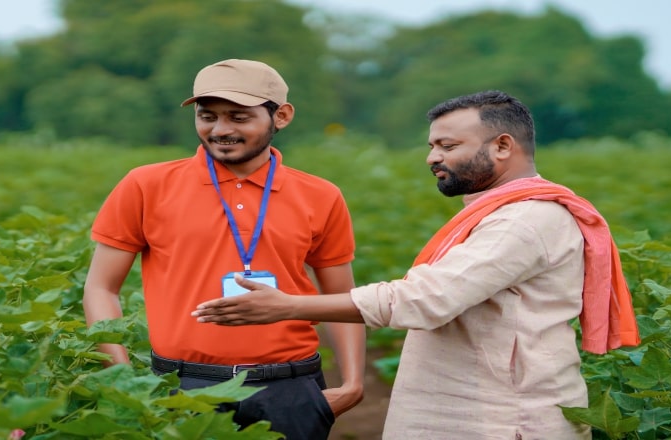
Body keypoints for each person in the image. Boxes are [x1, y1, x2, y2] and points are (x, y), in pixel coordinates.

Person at [193, 90, 642, 439]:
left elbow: (425, 299)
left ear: (503, 146)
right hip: (480, 411)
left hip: (505, 420)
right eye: (431, 145)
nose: (432, 158)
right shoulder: (503, 213)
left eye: (447, 145)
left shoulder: (524, 220)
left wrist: (289, 306)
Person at [83, 58, 365, 439]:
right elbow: (101, 287)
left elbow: (340, 296)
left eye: (238, 117)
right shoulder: (147, 185)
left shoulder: (320, 195)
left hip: (289, 388)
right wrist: (119, 378)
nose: (220, 130)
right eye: (207, 116)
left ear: (280, 116)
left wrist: (352, 382)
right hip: (182, 387)